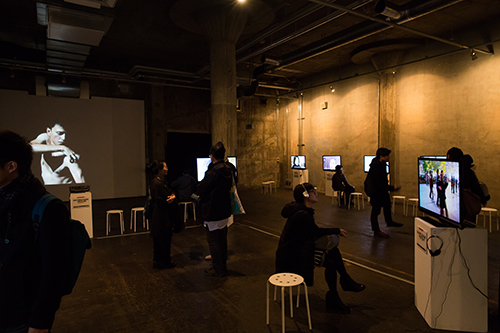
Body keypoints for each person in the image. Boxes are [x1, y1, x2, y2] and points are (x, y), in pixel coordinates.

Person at [0, 131, 71, 333]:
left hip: (21, 318)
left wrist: (39, 324)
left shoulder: (47, 208)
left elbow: (54, 274)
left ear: (11, 166)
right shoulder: (4, 199)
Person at [276, 183, 365, 313]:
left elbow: (309, 233)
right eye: (313, 191)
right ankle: (341, 285)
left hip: (296, 251)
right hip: (293, 257)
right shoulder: (302, 214)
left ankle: (339, 289)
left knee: (332, 256)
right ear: (305, 195)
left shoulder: (300, 210)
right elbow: (315, 232)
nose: (315, 193)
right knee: (331, 258)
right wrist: (336, 230)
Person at [195, 142, 233, 277]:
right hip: (224, 209)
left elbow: (201, 189)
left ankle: (218, 268)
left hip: (212, 210)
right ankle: (223, 264)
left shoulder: (212, 173)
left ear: (212, 157)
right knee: (222, 238)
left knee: (213, 240)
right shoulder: (229, 170)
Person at [367, 148, 402, 238]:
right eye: (387, 156)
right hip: (376, 192)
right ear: (381, 157)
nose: (389, 157)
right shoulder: (376, 167)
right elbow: (379, 183)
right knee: (376, 211)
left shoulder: (381, 164)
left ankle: (389, 221)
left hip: (382, 191)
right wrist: (391, 188)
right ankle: (376, 230)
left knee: (387, 205)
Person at [148, 161, 177, 269]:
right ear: (160, 170)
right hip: (161, 216)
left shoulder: (158, 182)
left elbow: (170, 193)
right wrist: (172, 197)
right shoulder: (157, 184)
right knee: (163, 238)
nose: (167, 169)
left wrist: (173, 196)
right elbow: (166, 196)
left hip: (160, 215)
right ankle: (164, 261)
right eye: (165, 167)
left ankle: (160, 260)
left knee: (160, 239)